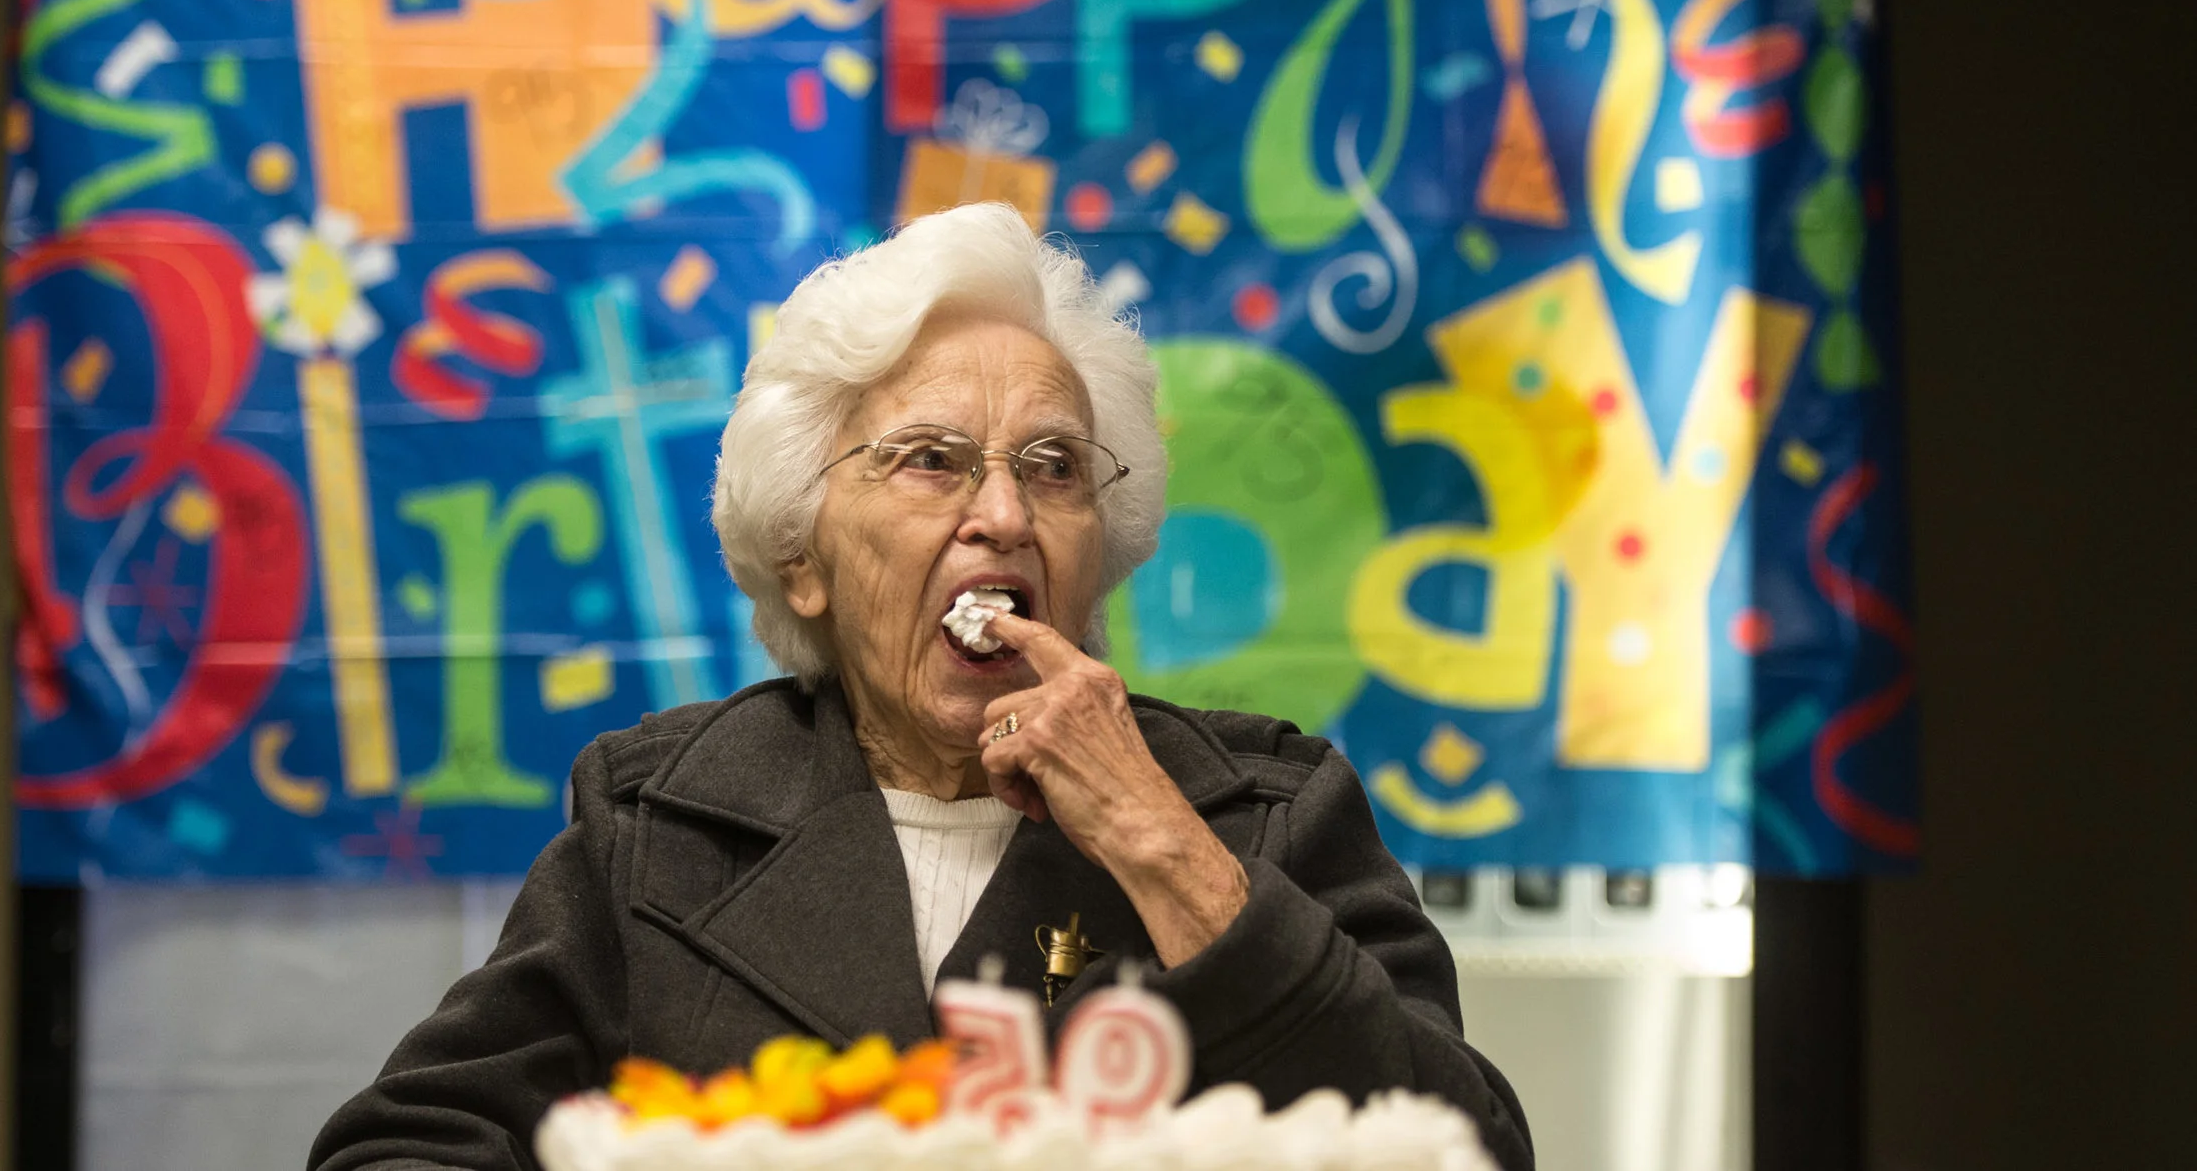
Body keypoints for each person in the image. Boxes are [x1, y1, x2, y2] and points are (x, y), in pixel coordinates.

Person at [310, 204, 1532, 1171]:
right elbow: (401, 1149)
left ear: (1101, 538)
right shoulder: (657, 831)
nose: (1001, 514)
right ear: (803, 557)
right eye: (930, 462)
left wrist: (1160, 844)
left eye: (1052, 468)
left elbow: (1465, 1150)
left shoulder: (1264, 812)